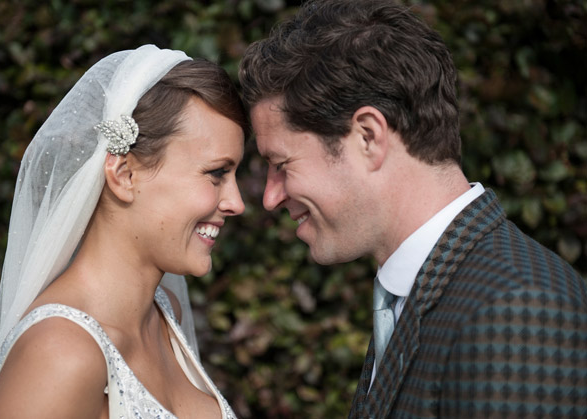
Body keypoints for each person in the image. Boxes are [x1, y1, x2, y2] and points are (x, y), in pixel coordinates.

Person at [238, 0, 587, 417]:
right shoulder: (423, 290)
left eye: (281, 165)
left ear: (368, 136)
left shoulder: (518, 306)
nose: (270, 196)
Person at [0, 44, 246, 418]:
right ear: (125, 175)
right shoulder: (60, 354)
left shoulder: (166, 319)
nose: (237, 202)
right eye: (216, 173)